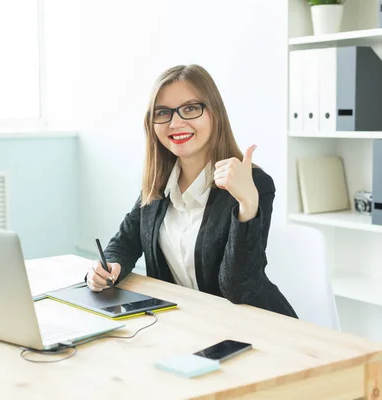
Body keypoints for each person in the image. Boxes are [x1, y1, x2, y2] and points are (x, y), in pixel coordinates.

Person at [86, 64, 297, 318]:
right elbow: (125, 243)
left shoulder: (254, 183)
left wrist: (247, 205)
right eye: (163, 112)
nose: (175, 123)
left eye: (190, 109)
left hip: (257, 326)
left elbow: (239, 290)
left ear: (214, 113)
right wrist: (107, 267)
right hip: (188, 324)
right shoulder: (159, 184)